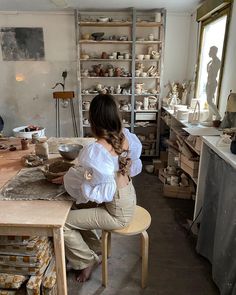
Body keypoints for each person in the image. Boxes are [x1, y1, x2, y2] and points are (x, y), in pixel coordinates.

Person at [52, 94, 142, 282]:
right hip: (127, 197)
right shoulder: (125, 137)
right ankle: (98, 249)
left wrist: (69, 179)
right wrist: (71, 176)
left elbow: (100, 190)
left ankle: (86, 260)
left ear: (92, 119)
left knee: (62, 222)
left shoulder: (96, 150)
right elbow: (106, 175)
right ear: (115, 116)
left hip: (118, 212)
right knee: (77, 207)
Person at [205, 45, 221, 121]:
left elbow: (213, 72)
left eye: (210, 51)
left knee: (209, 100)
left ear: (214, 52)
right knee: (209, 100)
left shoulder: (217, 61)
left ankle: (218, 115)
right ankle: (210, 117)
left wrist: (209, 66)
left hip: (212, 83)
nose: (209, 52)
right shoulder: (211, 61)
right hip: (209, 82)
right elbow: (208, 72)